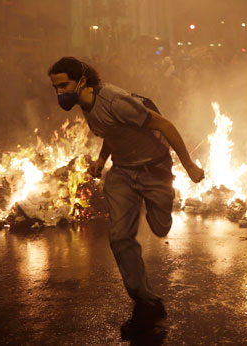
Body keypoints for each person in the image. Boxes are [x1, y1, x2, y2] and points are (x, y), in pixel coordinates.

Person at [48, 56, 204, 337]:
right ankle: (146, 302)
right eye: (55, 87)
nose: (60, 92)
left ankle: (160, 209)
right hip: (122, 173)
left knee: (160, 226)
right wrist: (101, 161)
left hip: (154, 169)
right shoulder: (86, 104)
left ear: (82, 80)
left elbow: (165, 126)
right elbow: (112, 131)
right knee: (119, 237)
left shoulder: (116, 101)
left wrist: (189, 165)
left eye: (64, 85)